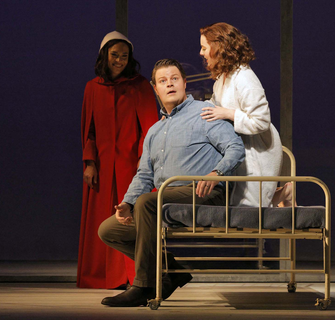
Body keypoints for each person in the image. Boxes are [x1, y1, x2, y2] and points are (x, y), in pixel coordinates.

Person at [98, 59, 245, 307]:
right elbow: (144, 174)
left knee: (147, 202)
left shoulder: (204, 113)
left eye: (175, 78)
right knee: (109, 230)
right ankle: (173, 271)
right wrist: (126, 203)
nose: (170, 84)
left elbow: (235, 148)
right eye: (163, 81)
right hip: (166, 199)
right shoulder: (154, 132)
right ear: (155, 89)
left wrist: (216, 173)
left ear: (185, 83)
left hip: (204, 193)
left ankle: (143, 286)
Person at [77, 31, 159, 289]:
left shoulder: (140, 85)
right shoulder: (92, 87)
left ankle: (133, 277)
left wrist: (144, 160)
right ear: (105, 55)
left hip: (130, 164)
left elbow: (150, 126)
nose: (120, 60)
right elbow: (88, 130)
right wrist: (89, 162)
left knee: (129, 218)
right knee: (100, 220)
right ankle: (99, 276)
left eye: (124, 56)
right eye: (115, 55)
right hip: (101, 164)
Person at [199, 22, 286, 208]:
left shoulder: (244, 77)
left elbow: (261, 121)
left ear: (218, 47)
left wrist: (228, 113)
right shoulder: (222, 79)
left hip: (258, 149)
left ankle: (282, 194)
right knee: (241, 209)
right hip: (240, 148)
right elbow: (213, 107)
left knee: (250, 211)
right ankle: (282, 194)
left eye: (204, 47)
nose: (201, 53)